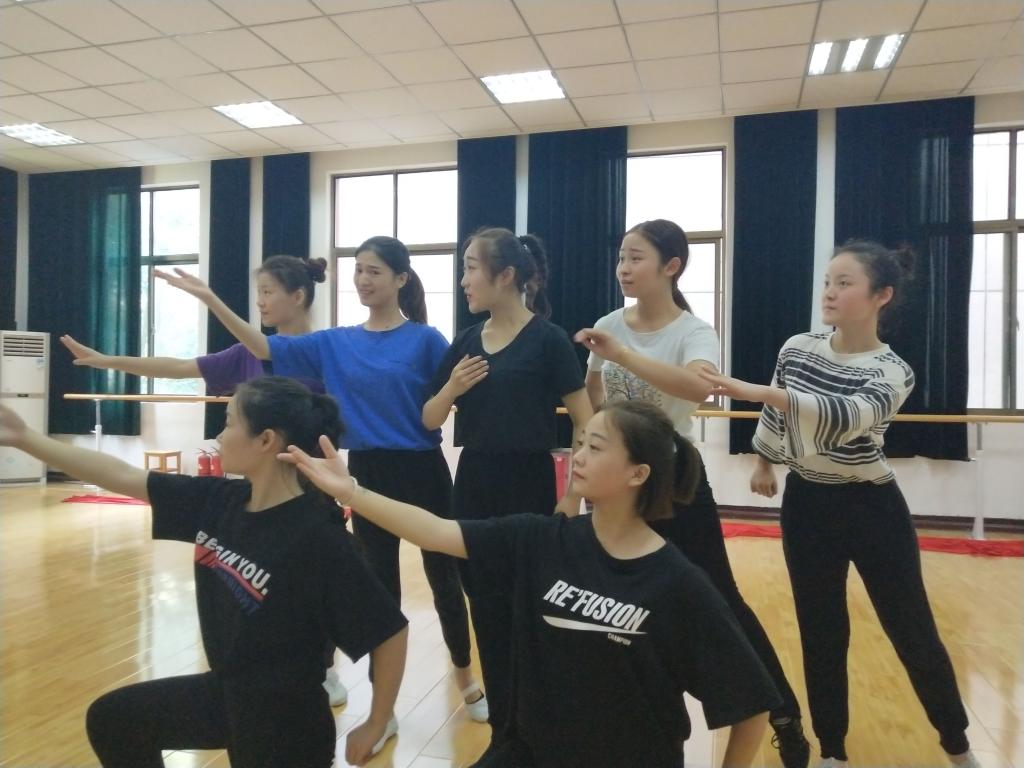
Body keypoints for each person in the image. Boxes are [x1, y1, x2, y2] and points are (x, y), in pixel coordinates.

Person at [280, 399, 780, 768]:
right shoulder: (540, 538)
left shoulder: (677, 583)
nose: (578, 456)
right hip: (531, 753)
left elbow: (750, 703)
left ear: (638, 474)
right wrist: (353, 491)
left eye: (596, 447)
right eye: (580, 443)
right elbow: (434, 531)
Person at [155, 236, 487, 724]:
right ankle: (384, 709)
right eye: (358, 269)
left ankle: (466, 680)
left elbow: (447, 398)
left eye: (374, 271)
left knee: (445, 585)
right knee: (381, 593)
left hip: (423, 471)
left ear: (401, 279)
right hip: (366, 472)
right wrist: (211, 299)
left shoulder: (426, 340)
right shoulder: (335, 342)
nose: (363, 279)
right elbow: (263, 346)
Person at [0, 376, 407, 767]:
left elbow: (389, 632)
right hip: (227, 693)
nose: (219, 435)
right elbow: (122, 475)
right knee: (116, 720)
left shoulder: (319, 538)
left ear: (266, 440)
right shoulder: (220, 500)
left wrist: (376, 721)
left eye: (229, 423)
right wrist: (24, 437)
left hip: (285, 722)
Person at [699, 240, 979, 768]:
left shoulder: (892, 370)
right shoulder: (798, 348)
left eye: (844, 283)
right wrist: (764, 461)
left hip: (873, 509)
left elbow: (845, 416)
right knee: (821, 631)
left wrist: (757, 392)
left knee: (913, 632)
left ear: (881, 296)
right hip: (807, 505)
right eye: (828, 281)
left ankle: (958, 745)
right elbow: (782, 416)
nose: (829, 292)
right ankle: (833, 751)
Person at [575, 219, 810, 768]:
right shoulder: (610, 323)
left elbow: (699, 387)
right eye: (621, 257)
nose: (623, 268)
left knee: (719, 599)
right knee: (610, 598)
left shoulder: (693, 332)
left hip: (674, 478)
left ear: (671, 266)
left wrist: (623, 355)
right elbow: (592, 390)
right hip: (615, 482)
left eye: (635, 258)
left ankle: (781, 713)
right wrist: (591, 447)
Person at [422, 227, 592, 749]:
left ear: (506, 276)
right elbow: (429, 418)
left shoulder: (549, 339)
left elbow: (587, 423)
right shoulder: (466, 342)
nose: (464, 280)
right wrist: (453, 388)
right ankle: (505, 737)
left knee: (531, 611)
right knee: (487, 610)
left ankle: (539, 728)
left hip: (530, 485)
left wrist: (572, 496)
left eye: (472, 267)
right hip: (474, 485)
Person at [60, 254, 327, 397]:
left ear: (297, 297)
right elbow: (177, 367)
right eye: (259, 292)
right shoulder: (245, 354)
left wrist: (210, 298)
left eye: (267, 292)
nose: (260, 302)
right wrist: (107, 360)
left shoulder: (325, 348)